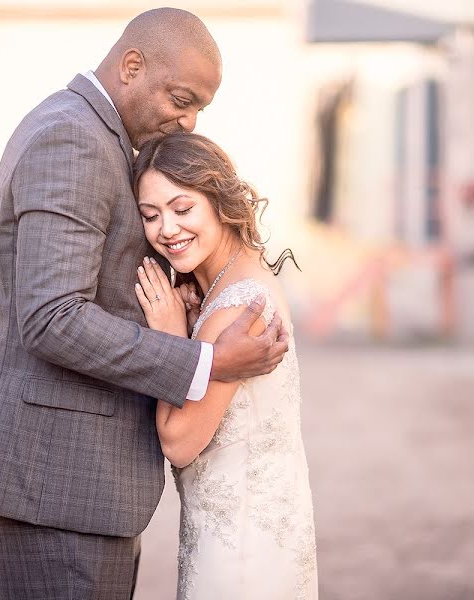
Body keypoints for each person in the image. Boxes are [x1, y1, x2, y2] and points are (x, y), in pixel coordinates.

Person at [0, 8, 290, 599]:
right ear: (132, 66)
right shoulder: (73, 139)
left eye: (199, 110)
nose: (185, 123)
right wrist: (203, 363)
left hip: (68, 481)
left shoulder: (88, 132)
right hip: (58, 482)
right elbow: (52, 317)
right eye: (181, 99)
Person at [133, 132, 319, 599]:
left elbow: (178, 442)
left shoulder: (240, 306)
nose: (166, 229)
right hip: (249, 530)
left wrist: (171, 337)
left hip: (240, 547)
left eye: (182, 208)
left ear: (219, 200)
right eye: (150, 216)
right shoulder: (229, 285)